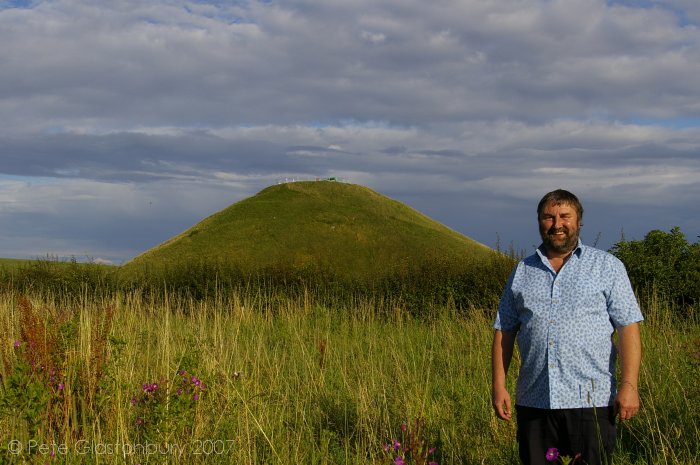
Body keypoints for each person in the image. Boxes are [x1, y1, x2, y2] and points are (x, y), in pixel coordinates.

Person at [491, 189, 643, 465]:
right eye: (548, 217)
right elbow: (505, 330)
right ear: (539, 221)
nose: (557, 224)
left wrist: (629, 386)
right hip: (535, 400)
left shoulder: (608, 267)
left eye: (564, 216)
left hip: (591, 401)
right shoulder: (522, 271)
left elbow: (628, 328)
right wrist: (498, 386)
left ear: (579, 221)